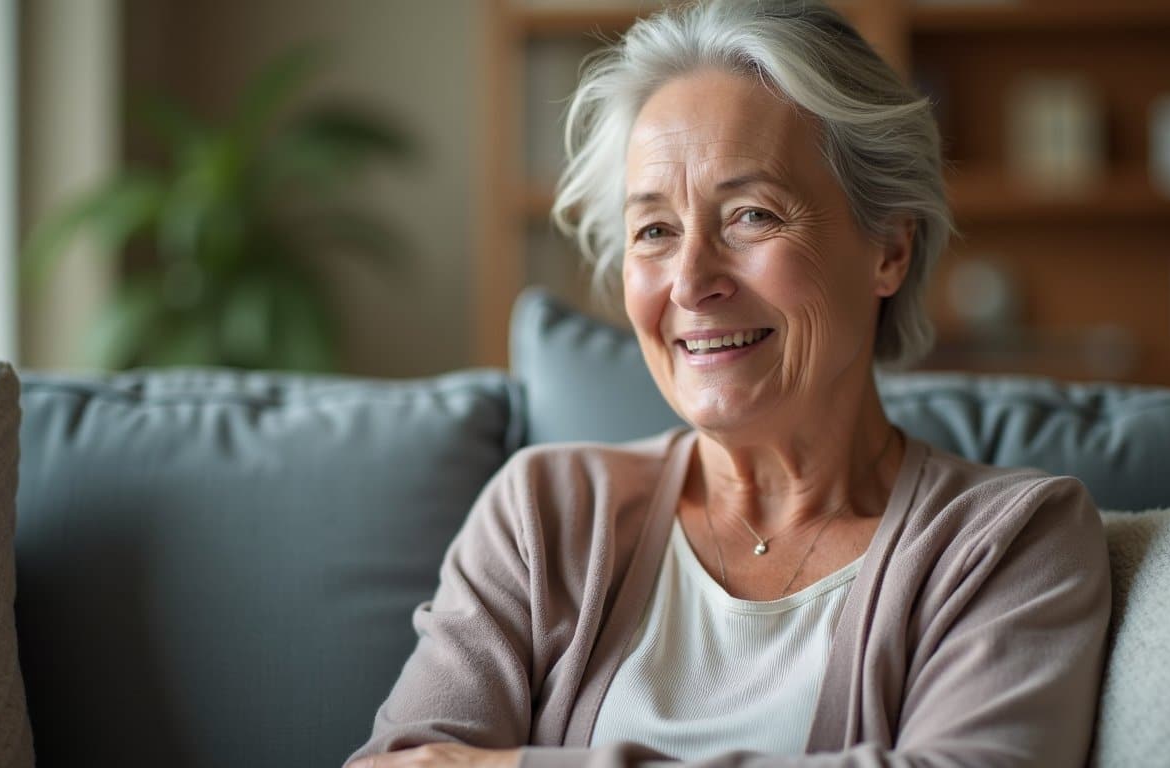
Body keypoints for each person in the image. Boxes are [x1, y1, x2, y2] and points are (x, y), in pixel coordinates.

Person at [346, 1, 1111, 766]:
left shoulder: (1010, 542)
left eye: (750, 215)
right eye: (654, 230)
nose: (689, 281)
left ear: (889, 249)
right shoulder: (546, 511)